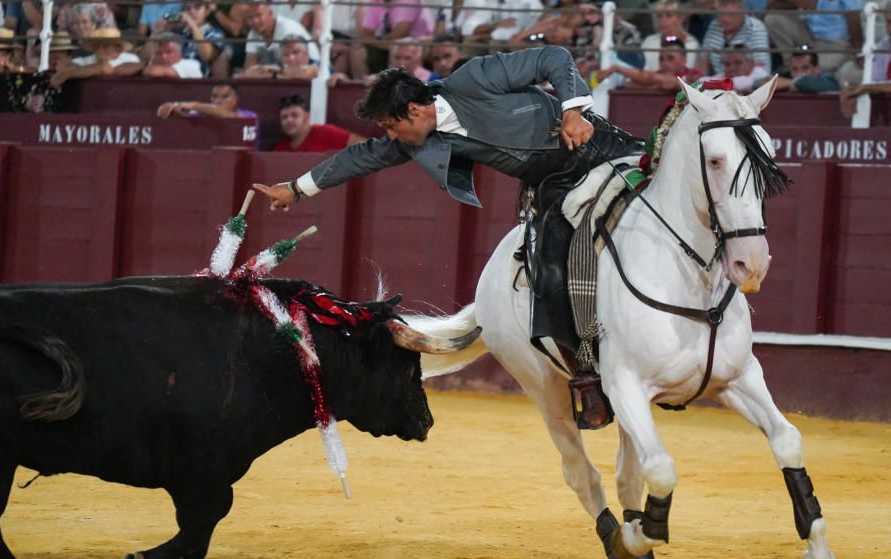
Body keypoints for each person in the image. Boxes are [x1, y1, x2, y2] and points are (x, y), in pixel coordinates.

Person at [253, 47, 643, 427]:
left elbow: (552, 57)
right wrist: (296, 188)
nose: (391, 135)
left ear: (416, 110)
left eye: (391, 125)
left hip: (600, 147)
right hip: (553, 185)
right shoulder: (419, 142)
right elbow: (358, 158)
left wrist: (573, 109)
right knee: (548, 274)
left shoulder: (475, 77)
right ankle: (587, 376)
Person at [765, 0, 862, 73]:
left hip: (835, 45)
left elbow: (855, 21)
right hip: (809, 36)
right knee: (773, 19)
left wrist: (858, 52)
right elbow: (772, 5)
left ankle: (798, 71)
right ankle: (791, 65)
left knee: (813, 68)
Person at [356, 0, 433, 75]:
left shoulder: (409, 1)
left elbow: (400, 33)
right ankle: (362, 84)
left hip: (418, 44)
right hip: (389, 43)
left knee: (399, 49)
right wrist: (384, 44)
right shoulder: (376, 1)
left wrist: (374, 41)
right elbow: (364, 32)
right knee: (357, 48)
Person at [598, 36, 703, 90]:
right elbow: (629, 84)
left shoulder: (694, 75)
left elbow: (651, 78)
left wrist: (617, 68)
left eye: (670, 58)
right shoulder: (658, 73)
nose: (665, 63)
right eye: (661, 59)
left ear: (684, 59)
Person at [271, 94, 365, 151]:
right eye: (284, 117)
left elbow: (363, 144)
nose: (289, 120)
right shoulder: (281, 148)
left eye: (294, 115)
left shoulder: (324, 132)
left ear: (306, 116)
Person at [702, 0, 771, 76]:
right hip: (720, 81)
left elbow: (759, 67)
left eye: (731, 15)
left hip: (750, 81)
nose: (725, 19)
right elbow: (704, 61)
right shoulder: (714, 26)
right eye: (721, 14)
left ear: (743, 13)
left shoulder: (755, 27)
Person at [243, 2, 319, 71]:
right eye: (250, 18)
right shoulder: (253, 33)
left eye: (258, 15)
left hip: (309, 70)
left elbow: (295, 66)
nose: (255, 21)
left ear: (270, 13)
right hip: (281, 74)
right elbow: (249, 67)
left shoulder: (287, 29)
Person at [640, 1, 703, 72]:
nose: (662, 20)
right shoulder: (650, 40)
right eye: (659, 16)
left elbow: (686, 74)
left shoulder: (692, 45)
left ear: (680, 18)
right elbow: (641, 68)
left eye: (669, 16)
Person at [156, 82, 257, 119]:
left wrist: (194, 105)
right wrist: (171, 108)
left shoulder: (249, 116)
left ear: (235, 100)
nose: (217, 101)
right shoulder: (202, 114)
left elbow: (225, 115)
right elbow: (163, 112)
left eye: (224, 97)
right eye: (214, 96)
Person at [241, 35, 318, 79]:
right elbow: (249, 72)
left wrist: (279, 71)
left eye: (296, 53)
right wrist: (275, 75)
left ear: (307, 54)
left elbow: (304, 73)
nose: (291, 58)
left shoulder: (319, 66)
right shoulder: (278, 68)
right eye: (286, 55)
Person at [773, 47, 839, 91]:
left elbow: (806, 82)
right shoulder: (785, 77)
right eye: (795, 69)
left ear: (817, 69)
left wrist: (791, 83)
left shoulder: (829, 80)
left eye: (805, 68)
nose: (799, 73)